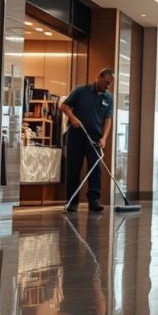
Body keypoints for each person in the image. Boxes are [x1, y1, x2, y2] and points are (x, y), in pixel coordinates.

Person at [61, 68, 115, 212]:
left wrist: (104, 138)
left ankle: (94, 201)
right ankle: (72, 201)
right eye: (106, 82)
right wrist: (72, 118)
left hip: (95, 138)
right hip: (77, 135)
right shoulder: (81, 91)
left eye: (110, 84)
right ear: (99, 77)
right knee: (73, 168)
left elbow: (108, 120)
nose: (108, 86)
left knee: (95, 170)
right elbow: (64, 106)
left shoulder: (108, 98)